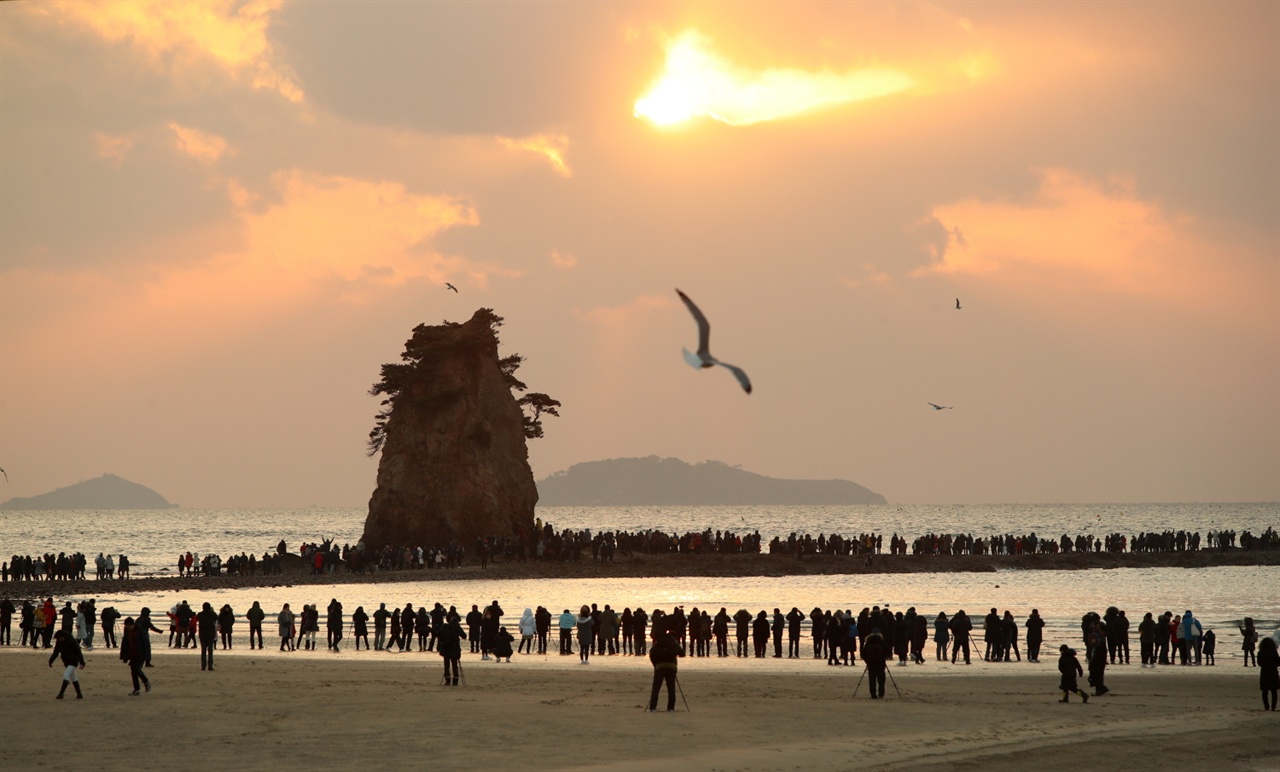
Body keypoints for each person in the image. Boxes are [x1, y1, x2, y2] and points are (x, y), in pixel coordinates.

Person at [647, 626, 684, 712]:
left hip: (660, 666)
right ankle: (671, 708)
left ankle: (653, 707)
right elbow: (682, 653)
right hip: (671, 666)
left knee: (656, 688)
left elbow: (652, 653)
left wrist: (655, 665)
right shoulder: (674, 642)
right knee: (671, 688)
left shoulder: (659, 641)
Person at [49, 629, 86, 699]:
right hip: (66, 662)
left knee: (66, 675)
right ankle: (79, 694)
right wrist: (51, 661)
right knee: (74, 678)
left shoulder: (72, 641)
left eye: (61, 638)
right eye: (59, 638)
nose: (60, 639)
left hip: (73, 662)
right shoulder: (59, 642)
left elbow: (78, 652)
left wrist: (82, 662)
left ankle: (61, 694)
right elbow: (55, 652)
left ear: (63, 636)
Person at [119, 617, 150, 696]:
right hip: (132, 654)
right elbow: (124, 644)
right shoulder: (127, 632)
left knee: (137, 669)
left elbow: (146, 644)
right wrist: (124, 657)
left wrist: (148, 658)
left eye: (129, 626)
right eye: (126, 627)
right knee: (133, 671)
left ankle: (146, 681)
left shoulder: (141, 631)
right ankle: (136, 689)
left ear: (133, 625)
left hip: (141, 654)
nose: (128, 628)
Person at [437, 614, 466, 685]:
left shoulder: (445, 626)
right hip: (454, 647)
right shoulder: (457, 626)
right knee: (454, 664)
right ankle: (455, 680)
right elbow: (464, 636)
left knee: (446, 665)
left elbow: (439, 635)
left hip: (446, 647)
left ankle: (447, 680)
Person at [860, 628, 889, 699]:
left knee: (872, 679)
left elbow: (863, 653)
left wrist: (867, 661)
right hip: (880, 663)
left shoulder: (868, 642)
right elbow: (887, 651)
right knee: (881, 679)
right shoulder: (882, 641)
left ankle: (873, 694)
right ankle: (881, 693)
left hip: (871, 663)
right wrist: (884, 658)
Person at [1258, 636, 1278, 711]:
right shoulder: (1274, 652)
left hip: (1264, 672)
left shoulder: (1260, 652)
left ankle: (1266, 706)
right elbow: (1278, 663)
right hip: (1273, 672)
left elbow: (1259, 663)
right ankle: (1273, 707)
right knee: (1274, 691)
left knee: (1264, 691)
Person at [196, 602, 218, 671]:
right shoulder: (212, 614)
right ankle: (210, 666)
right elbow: (216, 618)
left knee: (203, 650)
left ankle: (203, 666)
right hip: (210, 634)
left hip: (202, 634)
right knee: (210, 651)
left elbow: (196, 618)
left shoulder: (200, 614)